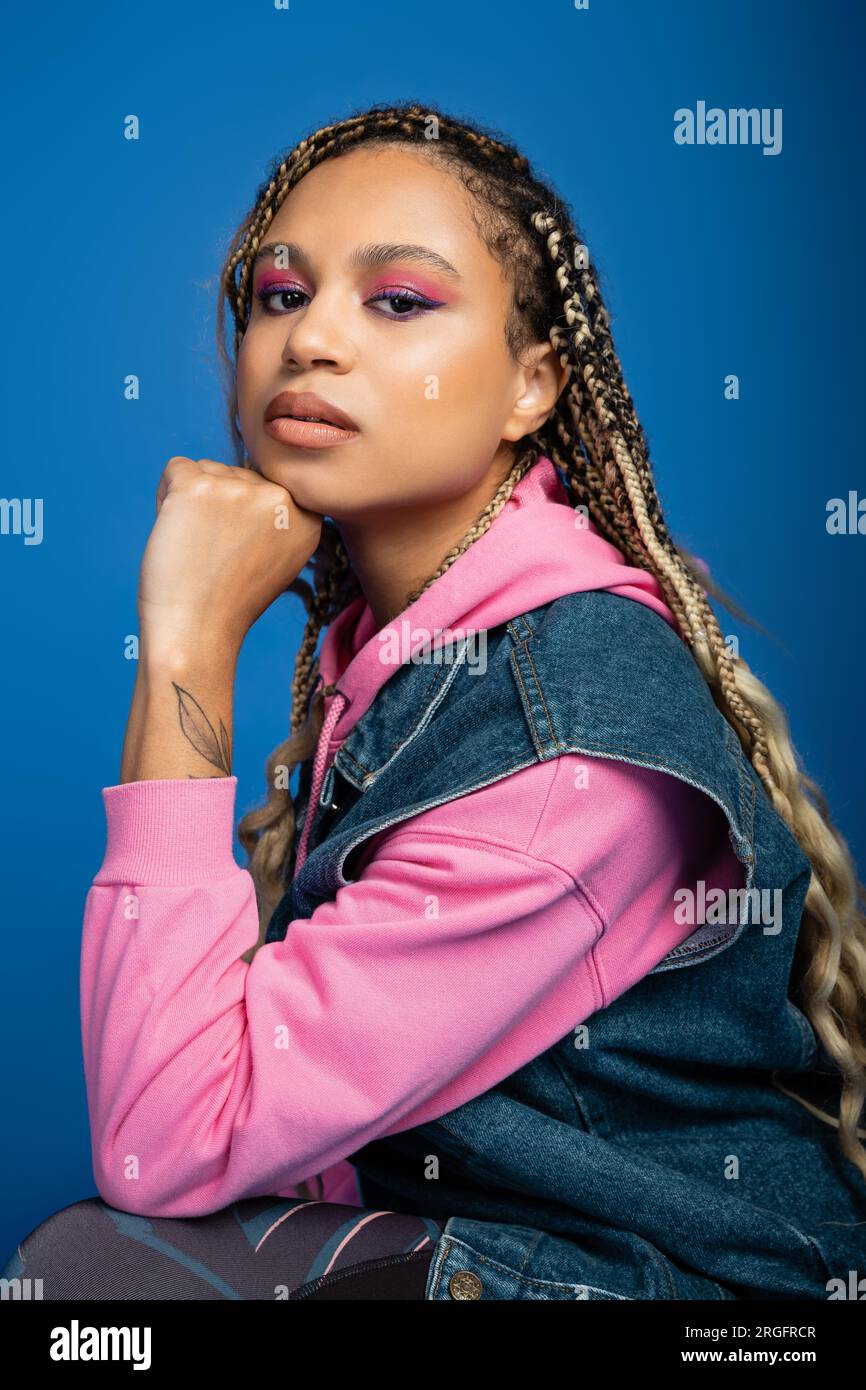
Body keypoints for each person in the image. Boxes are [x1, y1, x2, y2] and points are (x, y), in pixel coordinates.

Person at [4, 101, 865, 1302]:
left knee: (94, 1276)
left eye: (398, 300)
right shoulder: (421, 652)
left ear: (530, 387)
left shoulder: (554, 745)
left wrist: (187, 646)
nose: (311, 341)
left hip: (679, 1298)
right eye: (280, 294)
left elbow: (164, 1141)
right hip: (529, 1255)